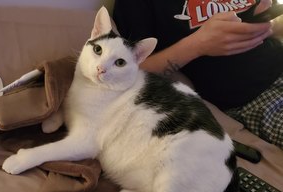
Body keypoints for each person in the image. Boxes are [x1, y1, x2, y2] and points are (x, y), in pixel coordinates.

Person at [113, 0, 283, 149]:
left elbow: (266, 25)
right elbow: (131, 72)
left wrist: (268, 25)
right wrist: (197, 45)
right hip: (257, 98)